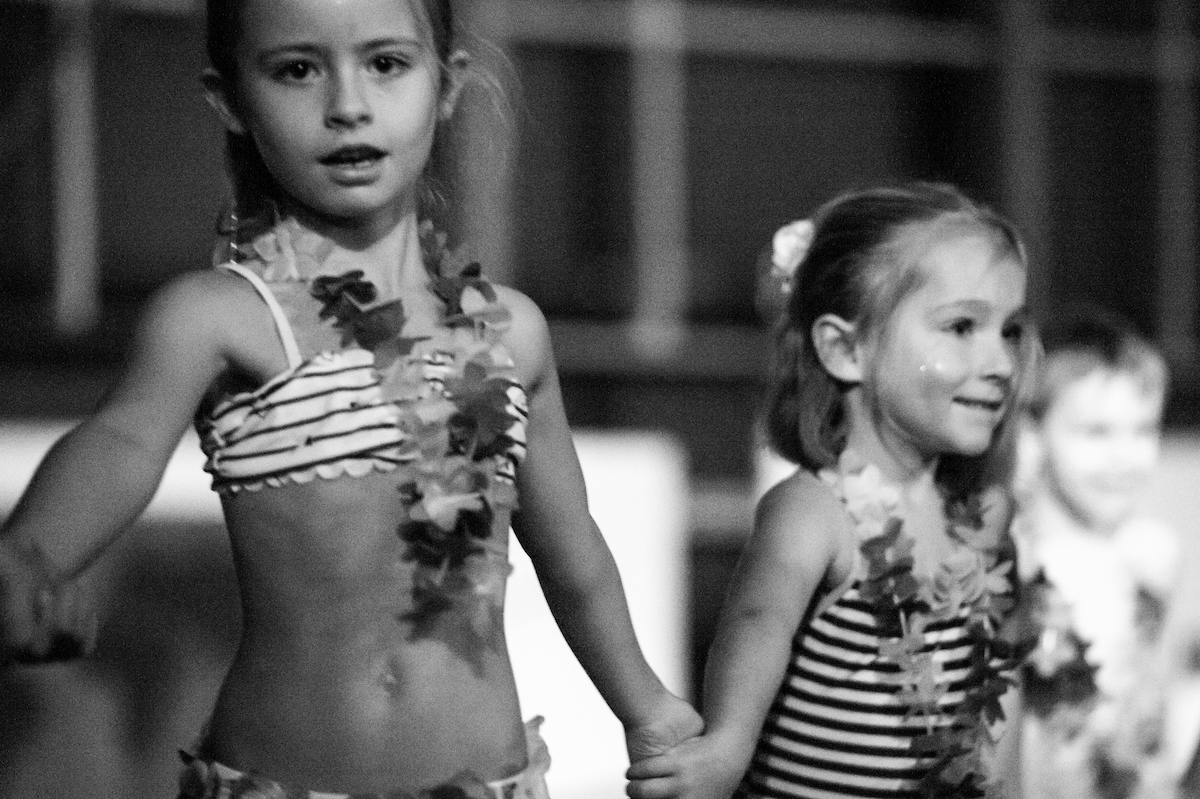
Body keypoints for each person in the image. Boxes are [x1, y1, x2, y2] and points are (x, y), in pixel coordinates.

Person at [0, 0, 702, 796]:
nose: (348, 104)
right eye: (298, 70)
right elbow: (120, 442)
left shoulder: (511, 333)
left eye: (386, 63)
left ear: (447, 85)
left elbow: (576, 560)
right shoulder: (219, 317)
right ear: (230, 99)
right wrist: (26, 559)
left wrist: (651, 711)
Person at [626, 181, 1039, 799]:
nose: (1001, 363)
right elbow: (757, 623)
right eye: (961, 327)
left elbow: (1000, 688)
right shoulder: (815, 512)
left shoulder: (983, 518)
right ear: (845, 350)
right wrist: (728, 744)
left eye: (1009, 330)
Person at [1014, 309, 1181, 799]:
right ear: (1032, 434)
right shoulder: (1018, 566)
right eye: (1096, 432)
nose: (1124, 456)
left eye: (1143, 429)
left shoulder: (1152, 556)